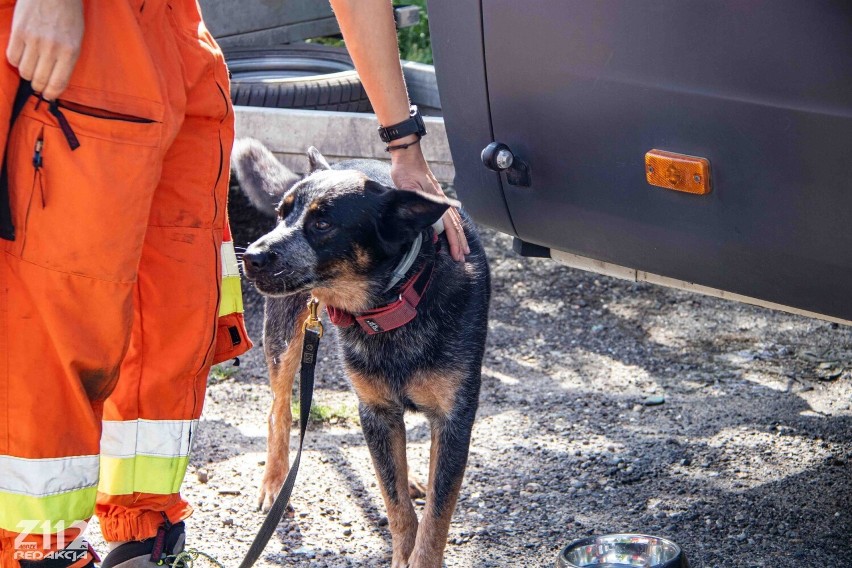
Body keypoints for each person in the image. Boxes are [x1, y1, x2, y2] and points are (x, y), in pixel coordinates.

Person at [0, 0, 466, 567]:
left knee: (171, 312)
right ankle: (34, 548)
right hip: (80, 41)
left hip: (180, 45)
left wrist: (404, 142)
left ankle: (146, 526)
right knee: (58, 314)